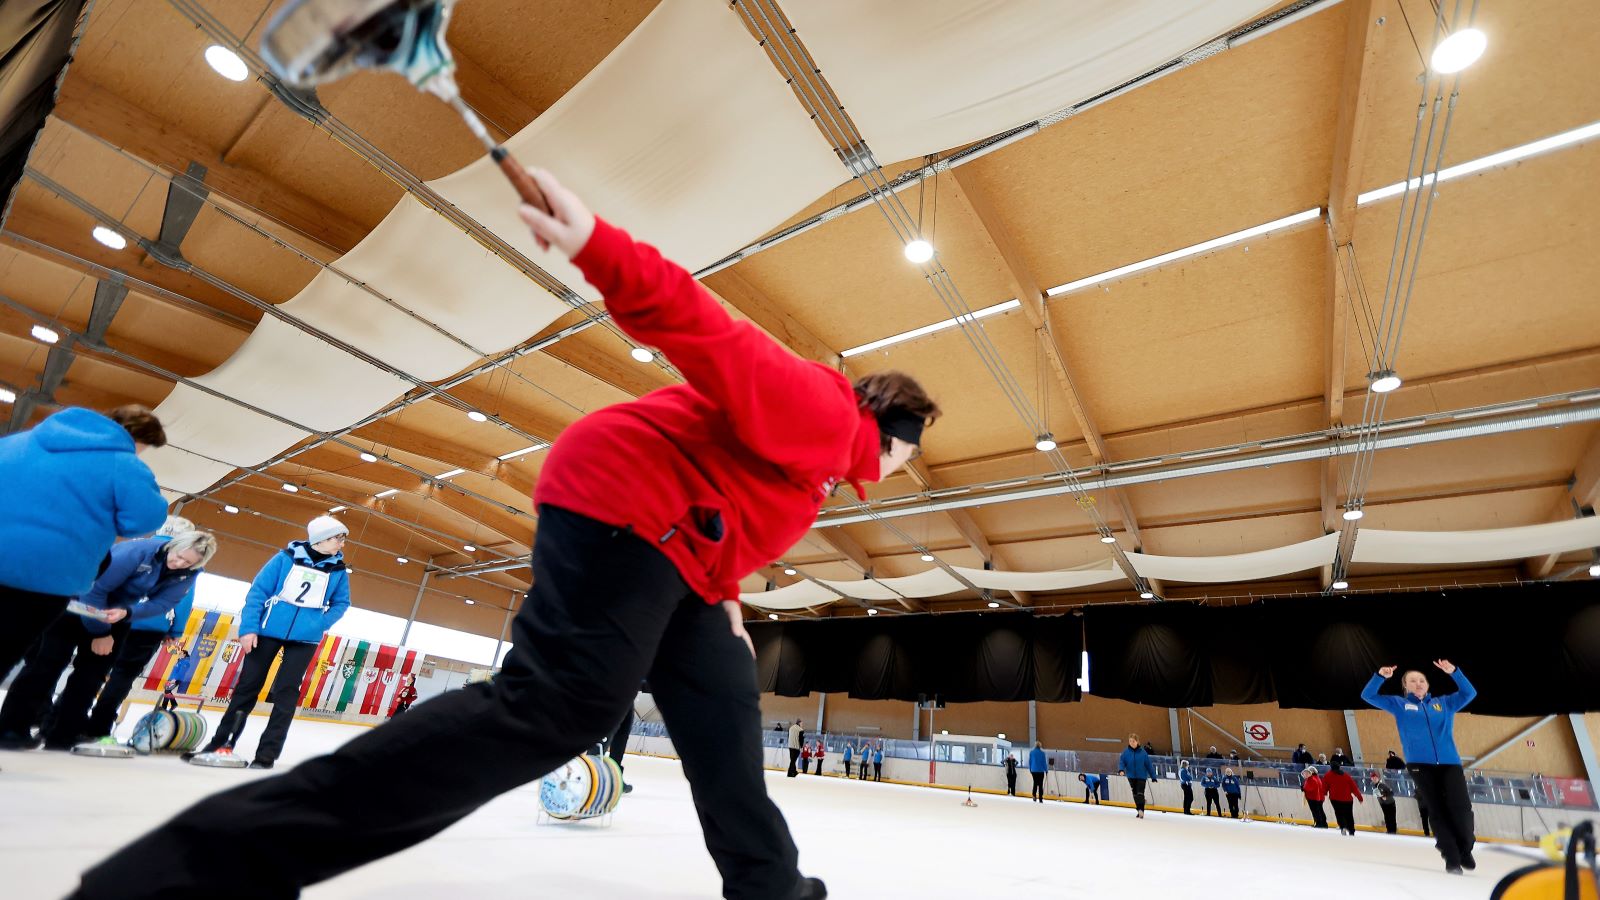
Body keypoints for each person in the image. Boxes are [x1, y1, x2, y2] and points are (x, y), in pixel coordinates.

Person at [76, 171, 939, 900]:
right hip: (626, 505)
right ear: (896, 436)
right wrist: (599, 243)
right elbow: (713, 336)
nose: (905, 467)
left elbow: (726, 510)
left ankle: (772, 891)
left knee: (722, 711)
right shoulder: (828, 417)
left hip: (682, 551)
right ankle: (191, 870)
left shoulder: (820, 471)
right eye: (913, 453)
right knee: (556, 706)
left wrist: (725, 600)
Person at [0, 405, 168, 682]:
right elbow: (144, 520)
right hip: (43, 577)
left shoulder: (17, 442)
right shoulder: (124, 463)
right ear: (136, 439)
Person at [0, 531, 213, 750]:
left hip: (115, 615)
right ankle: (11, 728)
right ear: (173, 546)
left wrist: (128, 613)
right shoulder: (136, 552)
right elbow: (94, 591)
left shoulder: (188, 574)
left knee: (91, 677)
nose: (179, 563)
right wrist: (100, 633)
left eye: (187, 562)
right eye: (178, 556)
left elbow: (162, 604)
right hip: (75, 606)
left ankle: (62, 734)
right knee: (46, 666)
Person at [184, 516, 352, 770]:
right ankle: (220, 745)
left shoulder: (338, 571)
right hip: (267, 632)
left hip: (305, 639)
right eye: (338, 538)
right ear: (321, 538)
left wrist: (320, 623)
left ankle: (266, 755)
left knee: (286, 693)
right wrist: (249, 628)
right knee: (247, 688)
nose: (342, 544)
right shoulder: (284, 558)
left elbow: (342, 603)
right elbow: (258, 592)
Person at [81, 517, 202, 741]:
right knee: (123, 677)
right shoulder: (186, 563)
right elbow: (182, 601)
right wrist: (175, 631)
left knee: (92, 671)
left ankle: (70, 717)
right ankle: (99, 726)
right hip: (151, 625)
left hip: (112, 619)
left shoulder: (140, 548)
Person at [1362, 660, 1478, 874]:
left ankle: (1465, 848)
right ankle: (1451, 858)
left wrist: (1455, 673)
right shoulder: (1399, 704)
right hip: (1419, 765)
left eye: (1421, 680)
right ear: (1405, 686)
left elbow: (1469, 693)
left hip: (1450, 763)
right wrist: (1380, 677)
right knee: (1436, 810)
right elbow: (1368, 696)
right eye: (1412, 681)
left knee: (1461, 808)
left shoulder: (1444, 703)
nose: (1418, 683)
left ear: (1427, 684)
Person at [1117, 733, 1158, 819]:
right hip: (1131, 776)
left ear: (1137, 742)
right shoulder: (1126, 752)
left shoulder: (1143, 753)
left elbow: (1148, 765)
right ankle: (1138, 809)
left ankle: (1141, 810)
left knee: (1140, 793)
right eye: (1130, 741)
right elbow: (1122, 761)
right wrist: (1121, 770)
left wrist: (1153, 776)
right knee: (1135, 794)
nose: (1131, 743)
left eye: (1133, 741)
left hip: (1141, 776)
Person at [1325, 763, 1363, 834]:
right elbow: (1354, 787)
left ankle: (1343, 827)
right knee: (1349, 814)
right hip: (1347, 800)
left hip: (1335, 799)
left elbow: (1325, 785)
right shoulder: (1346, 775)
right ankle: (1351, 830)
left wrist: (1324, 793)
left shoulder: (1328, 775)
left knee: (1339, 813)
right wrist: (1360, 798)